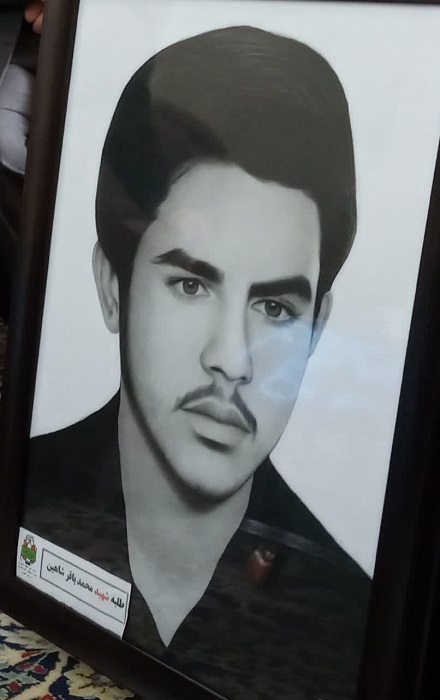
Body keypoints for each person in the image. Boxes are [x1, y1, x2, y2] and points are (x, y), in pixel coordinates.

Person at [24, 26, 370, 700]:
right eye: (191, 285)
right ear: (113, 287)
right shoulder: (22, 500)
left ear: (318, 330)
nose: (232, 360)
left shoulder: (349, 625)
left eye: (275, 308)